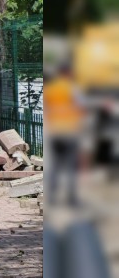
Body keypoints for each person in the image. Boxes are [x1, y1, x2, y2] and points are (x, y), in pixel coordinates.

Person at [43, 63, 86, 206]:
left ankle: (52, 197)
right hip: (70, 131)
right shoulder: (73, 89)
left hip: (55, 132)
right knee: (71, 166)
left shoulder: (50, 89)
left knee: (55, 165)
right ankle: (71, 197)